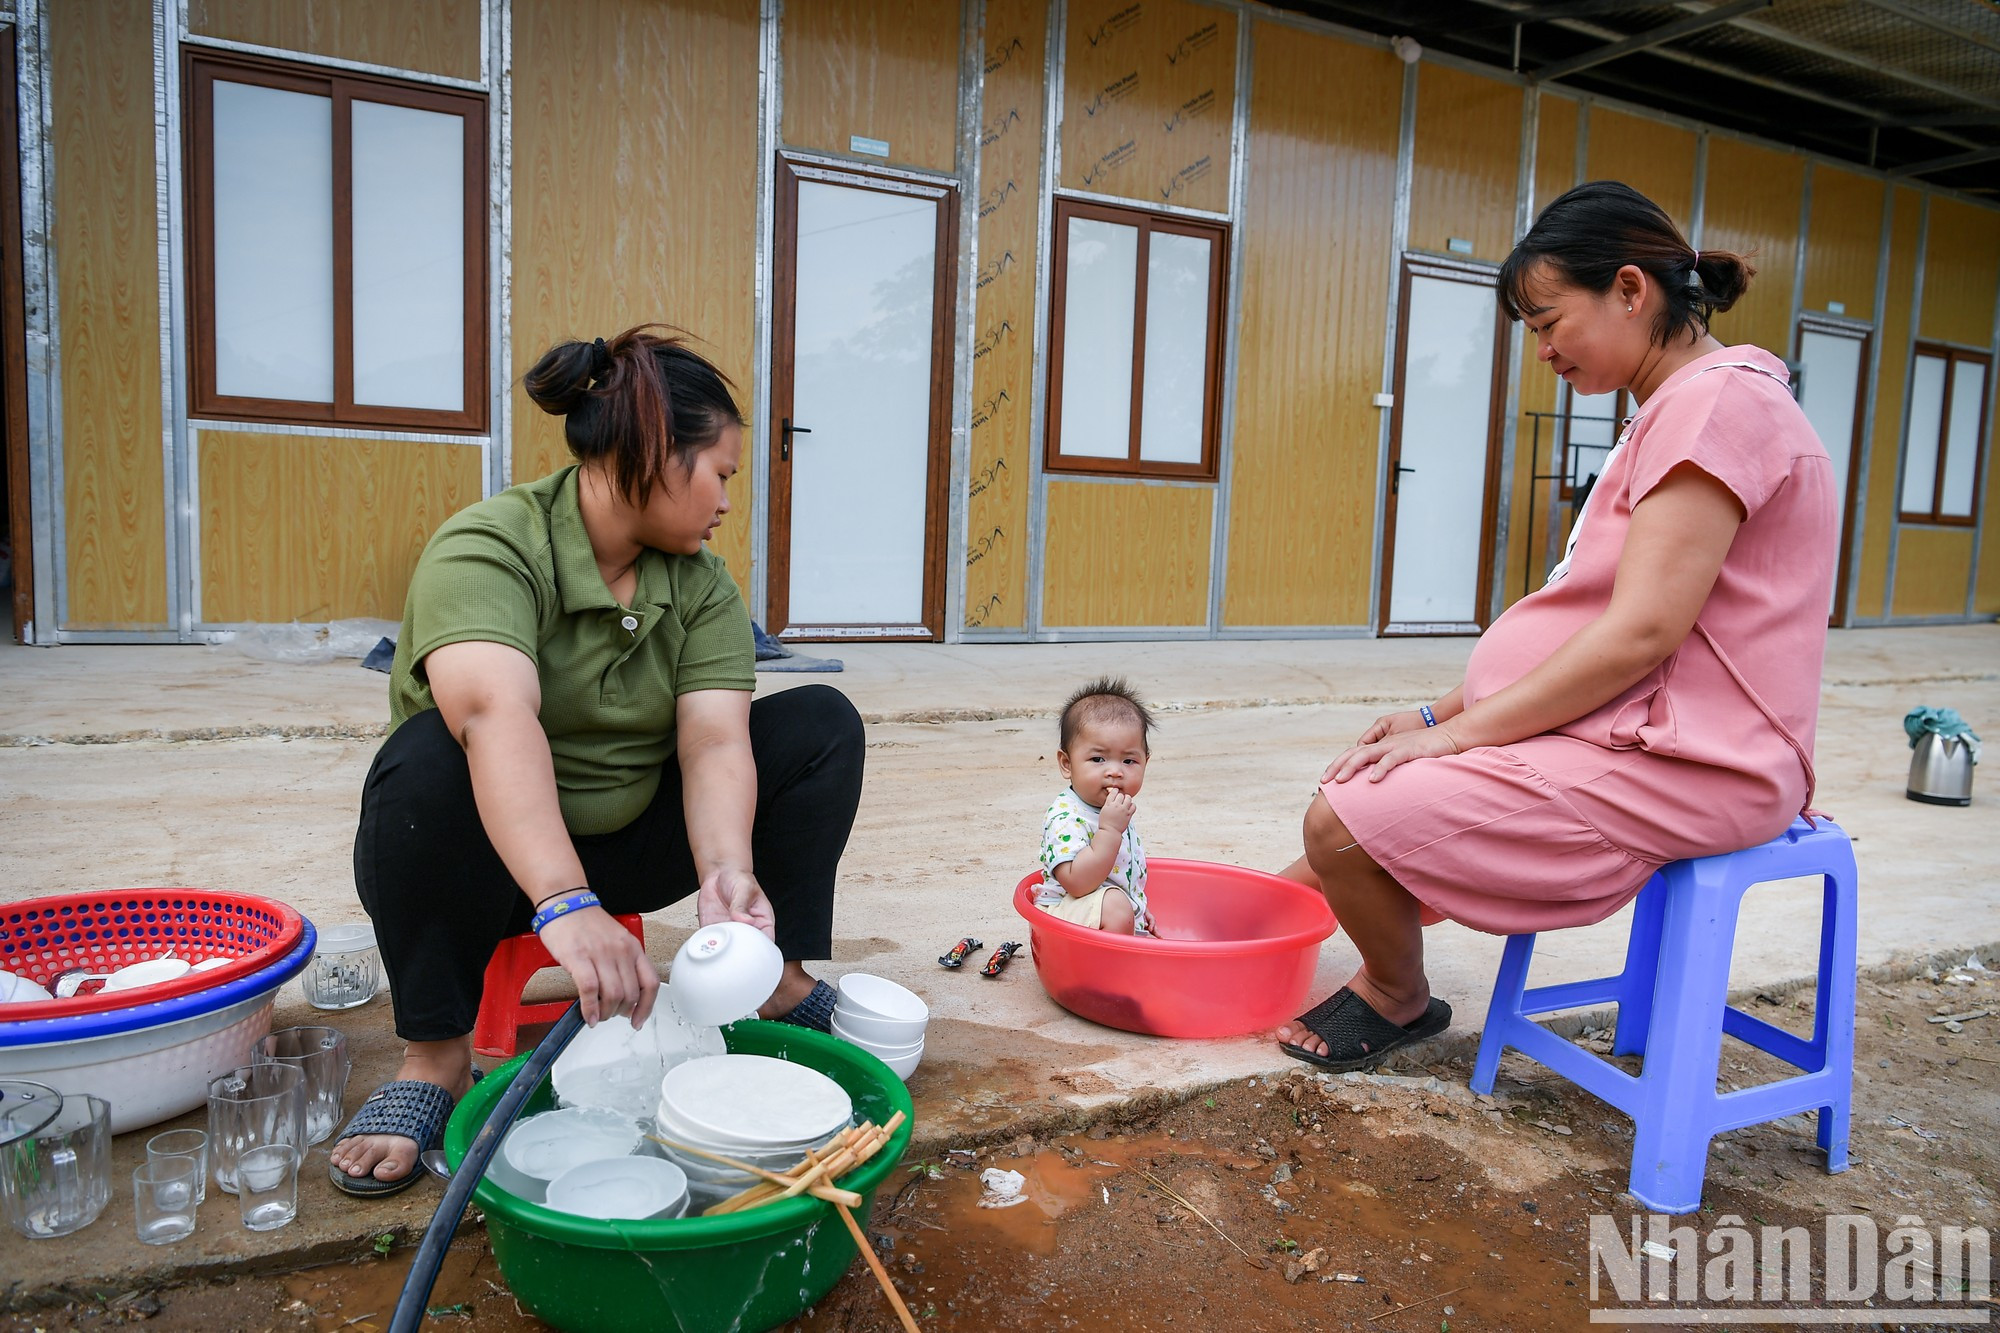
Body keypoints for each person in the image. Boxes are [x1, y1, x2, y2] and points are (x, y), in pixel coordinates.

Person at [1276, 181, 1838, 1072]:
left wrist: (1459, 736)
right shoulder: (1674, 408)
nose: (1541, 351)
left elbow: (1640, 635)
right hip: (1626, 735)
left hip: (1689, 761)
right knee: (1328, 849)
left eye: (1547, 323)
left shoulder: (1717, 408)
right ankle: (1225, 941)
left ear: (1627, 289)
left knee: (1344, 822)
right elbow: (1583, 611)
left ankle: (1398, 994)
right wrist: (1434, 719)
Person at [329, 325, 864, 1196]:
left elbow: (717, 739)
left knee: (820, 725)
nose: (729, 500)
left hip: (629, 838)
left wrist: (726, 874)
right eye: (721, 474)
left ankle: (776, 979)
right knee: (423, 758)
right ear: (653, 453)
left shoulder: (699, 583)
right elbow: (495, 714)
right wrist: (562, 900)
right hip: (493, 863)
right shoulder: (491, 545)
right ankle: (432, 1057)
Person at [1034, 678, 1154, 935]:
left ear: (1146, 761)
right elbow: (1078, 883)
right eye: (1098, 759)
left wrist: (1138, 910)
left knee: (1120, 908)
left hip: (1094, 914)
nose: (1115, 771)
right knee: (1115, 907)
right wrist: (1109, 831)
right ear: (1067, 764)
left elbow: (1118, 875)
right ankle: (1109, 971)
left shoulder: (1112, 808)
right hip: (1063, 921)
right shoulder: (1067, 817)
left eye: (1129, 760)